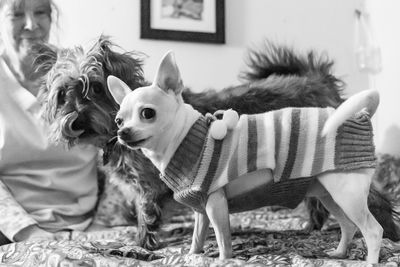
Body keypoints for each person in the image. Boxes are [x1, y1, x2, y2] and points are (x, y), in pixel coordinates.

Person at [0, 0, 100, 244]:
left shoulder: (85, 71)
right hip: (11, 227)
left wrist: (104, 225)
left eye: (40, 12)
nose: (31, 25)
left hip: (89, 221)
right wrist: (29, 233)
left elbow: (120, 152)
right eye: (16, 14)